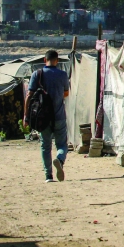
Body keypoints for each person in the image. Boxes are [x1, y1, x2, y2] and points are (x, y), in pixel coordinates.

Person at [24, 50, 70, 183]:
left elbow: (29, 96)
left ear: (45, 60)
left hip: (43, 118)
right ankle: (60, 159)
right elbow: (66, 93)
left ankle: (48, 176)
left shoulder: (37, 74)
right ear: (57, 61)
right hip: (59, 116)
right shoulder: (62, 75)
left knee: (45, 146)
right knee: (62, 144)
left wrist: (26, 115)